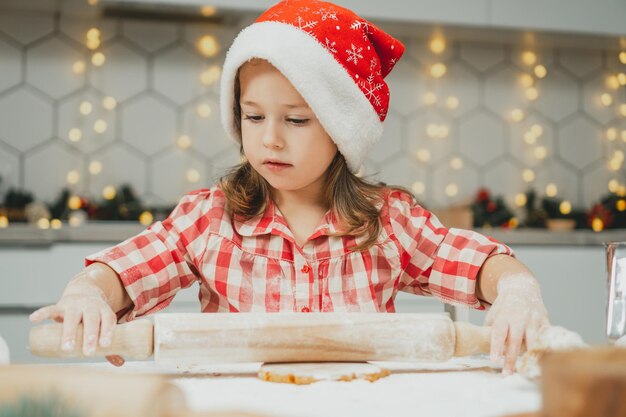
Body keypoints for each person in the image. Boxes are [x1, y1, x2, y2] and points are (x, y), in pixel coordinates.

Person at [30, 0, 549, 375]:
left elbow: (479, 263)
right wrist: (88, 293)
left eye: (297, 121)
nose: (270, 139)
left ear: (343, 131)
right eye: (253, 116)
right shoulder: (212, 220)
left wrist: (516, 290)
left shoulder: (389, 223)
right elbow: (127, 268)